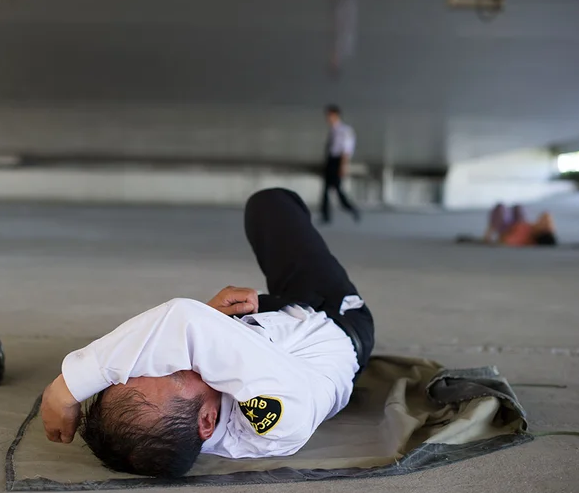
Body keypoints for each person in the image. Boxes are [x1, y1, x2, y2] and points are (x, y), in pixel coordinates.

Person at [40, 188, 375, 478]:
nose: (162, 363)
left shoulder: (183, 417)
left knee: (263, 210)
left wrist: (216, 319)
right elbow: (183, 319)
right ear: (207, 421)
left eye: (143, 369)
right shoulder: (280, 421)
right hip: (334, 317)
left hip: (270, 323)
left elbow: (185, 336)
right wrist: (68, 388)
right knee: (272, 203)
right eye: (174, 374)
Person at [321, 104, 360, 224]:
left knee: (337, 189)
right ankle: (326, 215)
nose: (328, 118)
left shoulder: (345, 130)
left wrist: (343, 165)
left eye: (330, 115)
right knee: (326, 189)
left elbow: (346, 150)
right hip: (331, 159)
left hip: (338, 161)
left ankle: (351, 208)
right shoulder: (333, 130)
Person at [482, 203, 558, 247]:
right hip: (521, 224)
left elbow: (505, 241)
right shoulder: (542, 230)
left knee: (500, 208)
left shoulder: (525, 237)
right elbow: (546, 215)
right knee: (518, 207)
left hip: (508, 227)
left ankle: (492, 228)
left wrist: (489, 233)